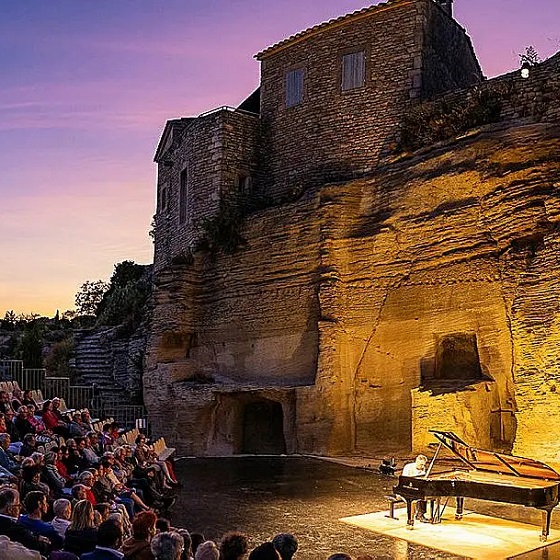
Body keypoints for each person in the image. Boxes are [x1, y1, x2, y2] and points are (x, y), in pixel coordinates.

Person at [0, 487, 49, 556]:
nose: (20, 508)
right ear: (10, 509)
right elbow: (39, 547)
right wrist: (42, 542)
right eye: (18, 505)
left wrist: (36, 536)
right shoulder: (14, 529)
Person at [402, 454, 429, 521]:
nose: (422, 466)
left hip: (416, 488)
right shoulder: (408, 467)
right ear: (416, 462)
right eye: (421, 465)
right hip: (406, 487)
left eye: (423, 465)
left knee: (424, 494)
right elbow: (404, 480)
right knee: (418, 496)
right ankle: (415, 517)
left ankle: (420, 514)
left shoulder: (423, 468)